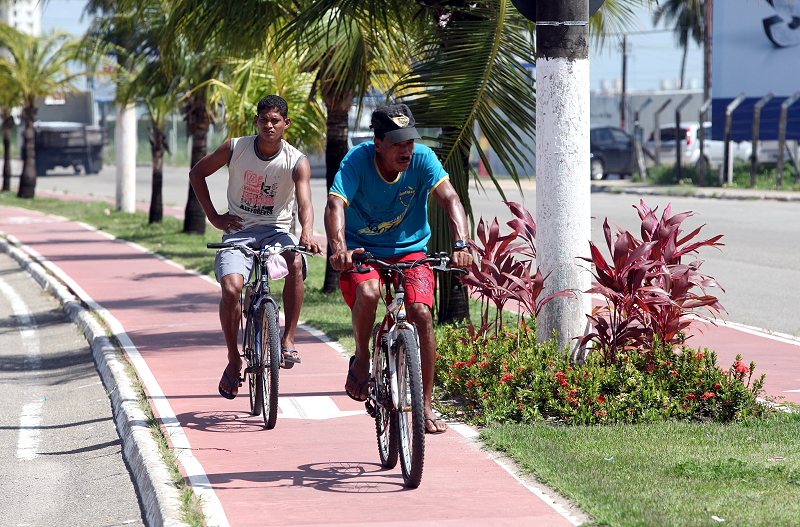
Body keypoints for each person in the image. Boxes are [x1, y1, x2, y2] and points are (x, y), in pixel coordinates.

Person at [324, 104, 472, 434]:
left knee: (421, 313)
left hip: (410, 252)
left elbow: (450, 199)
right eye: (396, 144)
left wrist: (462, 244)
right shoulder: (357, 160)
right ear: (378, 143)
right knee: (369, 292)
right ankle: (362, 358)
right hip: (363, 251)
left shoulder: (423, 160)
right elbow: (335, 204)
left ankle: (425, 405)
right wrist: (339, 249)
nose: (406, 151)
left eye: (410, 142)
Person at [189, 94, 322, 400]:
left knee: (295, 263)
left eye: (276, 120)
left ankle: (288, 339)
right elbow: (197, 173)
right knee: (231, 289)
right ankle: (233, 359)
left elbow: (305, 202)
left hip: (277, 232)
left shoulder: (297, 161)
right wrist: (214, 217)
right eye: (264, 120)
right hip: (239, 233)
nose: (269, 126)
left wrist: (307, 232)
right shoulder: (235, 148)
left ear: (286, 124)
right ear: (256, 121)